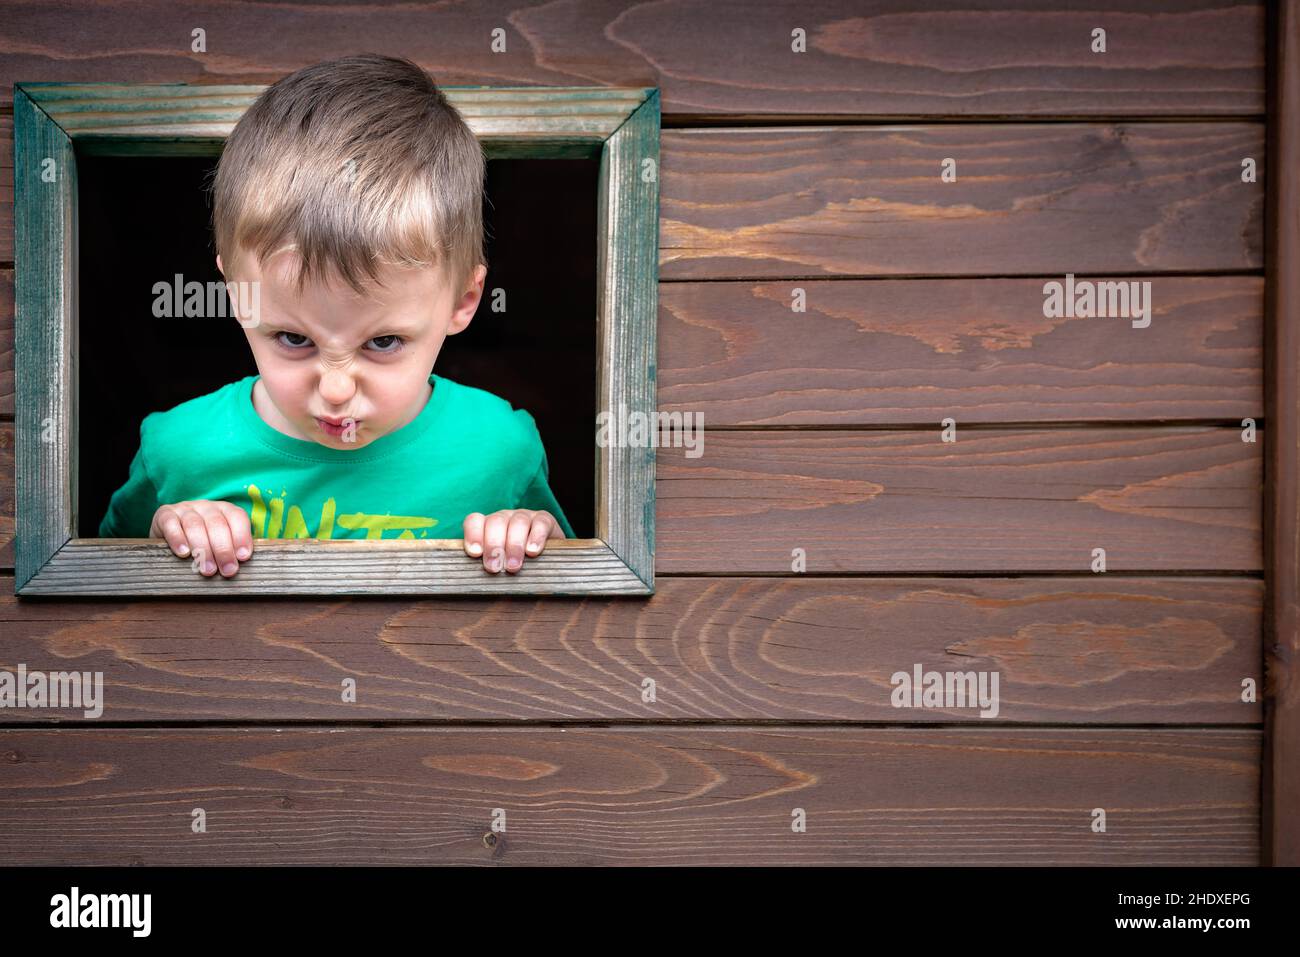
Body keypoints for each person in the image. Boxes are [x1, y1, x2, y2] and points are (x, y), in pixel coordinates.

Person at [97, 53, 575, 577]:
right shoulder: (179, 452)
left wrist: (533, 540)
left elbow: (574, 594)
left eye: (384, 342)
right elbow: (92, 593)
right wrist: (169, 534)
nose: (337, 390)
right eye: (294, 338)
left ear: (463, 302)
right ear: (236, 295)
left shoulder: (499, 449)